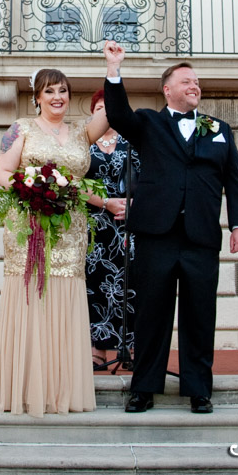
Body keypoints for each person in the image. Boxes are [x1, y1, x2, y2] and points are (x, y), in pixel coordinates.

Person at [102, 41, 238, 414]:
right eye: (186, 81)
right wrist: (114, 69)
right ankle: (144, 388)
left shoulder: (219, 129)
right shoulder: (150, 122)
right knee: (152, 315)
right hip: (156, 234)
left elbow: (234, 182)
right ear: (167, 90)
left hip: (201, 236)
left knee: (200, 316)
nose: (194, 86)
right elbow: (118, 115)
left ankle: (198, 389)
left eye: (197, 82)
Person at [0, 68, 110, 416]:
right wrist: (34, 189)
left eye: (64, 91)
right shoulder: (20, 129)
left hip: (70, 229)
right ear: (37, 96)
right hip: (29, 225)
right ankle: (23, 389)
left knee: (65, 298)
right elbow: (2, 173)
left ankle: (60, 392)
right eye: (50, 91)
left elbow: (114, 108)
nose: (58, 97)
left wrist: (112, 69)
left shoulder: (83, 133)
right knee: (30, 296)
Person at [83, 88, 140, 370]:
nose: (105, 113)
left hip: (126, 227)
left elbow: (147, 179)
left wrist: (132, 205)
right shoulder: (83, 144)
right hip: (94, 228)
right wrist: (105, 203)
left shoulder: (133, 142)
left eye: (110, 108)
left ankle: (128, 347)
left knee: (128, 287)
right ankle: (97, 351)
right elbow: (71, 184)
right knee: (94, 287)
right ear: (93, 112)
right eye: (100, 108)